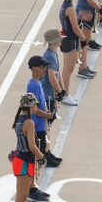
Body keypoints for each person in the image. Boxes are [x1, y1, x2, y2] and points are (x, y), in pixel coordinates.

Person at [11, 91, 45, 202]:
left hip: (19, 159)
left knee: (21, 197)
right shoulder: (29, 123)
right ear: (31, 105)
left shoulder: (19, 119)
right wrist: (42, 156)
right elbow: (32, 146)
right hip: (25, 160)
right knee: (21, 197)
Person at [25, 55, 56, 198]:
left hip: (40, 126)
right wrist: (48, 115)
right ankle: (31, 188)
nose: (45, 69)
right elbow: (34, 110)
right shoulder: (32, 85)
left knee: (37, 159)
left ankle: (33, 186)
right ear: (33, 68)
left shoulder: (38, 82)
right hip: (36, 127)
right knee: (34, 158)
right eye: (42, 67)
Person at [58, 0, 87, 102]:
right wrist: (83, 38)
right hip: (71, 40)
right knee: (68, 70)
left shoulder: (64, 5)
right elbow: (75, 27)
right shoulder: (70, 8)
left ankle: (63, 92)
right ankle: (65, 95)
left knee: (66, 69)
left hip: (66, 38)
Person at [40, 30, 67, 159]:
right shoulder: (49, 56)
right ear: (55, 42)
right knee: (47, 125)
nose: (62, 40)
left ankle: (47, 150)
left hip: (50, 94)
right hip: (46, 96)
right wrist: (60, 90)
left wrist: (62, 88)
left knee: (48, 124)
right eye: (60, 39)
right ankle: (46, 152)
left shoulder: (53, 54)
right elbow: (51, 77)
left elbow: (58, 73)